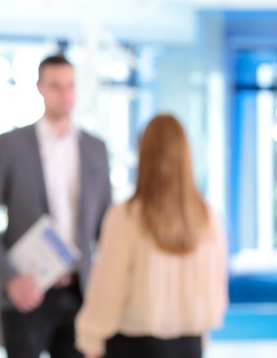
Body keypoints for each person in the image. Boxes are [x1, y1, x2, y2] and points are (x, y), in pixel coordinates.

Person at [0, 54, 113, 358]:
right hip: (27, 291)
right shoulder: (9, 146)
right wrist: (10, 279)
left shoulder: (96, 149)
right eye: (56, 86)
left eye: (70, 86)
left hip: (79, 292)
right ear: (40, 88)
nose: (65, 94)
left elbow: (107, 227)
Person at [75, 114, 228, 358]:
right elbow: (216, 293)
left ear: (144, 155)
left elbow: (107, 293)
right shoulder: (207, 217)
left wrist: (90, 339)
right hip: (189, 346)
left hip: (133, 347)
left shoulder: (126, 217)